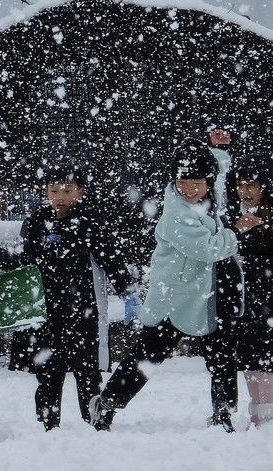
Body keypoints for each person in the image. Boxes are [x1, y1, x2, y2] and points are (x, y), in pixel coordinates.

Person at [90, 137, 261, 433]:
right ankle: (106, 404)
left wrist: (216, 148)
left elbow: (218, 173)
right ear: (174, 179)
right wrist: (237, 230)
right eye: (184, 181)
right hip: (175, 299)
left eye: (199, 182)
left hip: (209, 296)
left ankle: (223, 413)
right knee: (147, 356)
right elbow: (209, 249)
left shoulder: (208, 198)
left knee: (222, 358)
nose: (191, 188)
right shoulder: (176, 214)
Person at [0, 164, 140, 429]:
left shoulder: (90, 221)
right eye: (53, 189)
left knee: (87, 371)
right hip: (45, 311)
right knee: (48, 372)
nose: (60, 195)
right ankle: (48, 426)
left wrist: (128, 294)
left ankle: (94, 421)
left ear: (80, 192)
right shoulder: (37, 221)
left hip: (84, 309)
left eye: (67, 190)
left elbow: (112, 260)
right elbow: (25, 262)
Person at [226, 152, 273, 427]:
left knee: (265, 359)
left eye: (252, 185)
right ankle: (258, 413)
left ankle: (267, 417)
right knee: (250, 360)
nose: (246, 191)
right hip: (245, 303)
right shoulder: (233, 217)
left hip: (266, 302)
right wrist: (235, 230)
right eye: (241, 185)